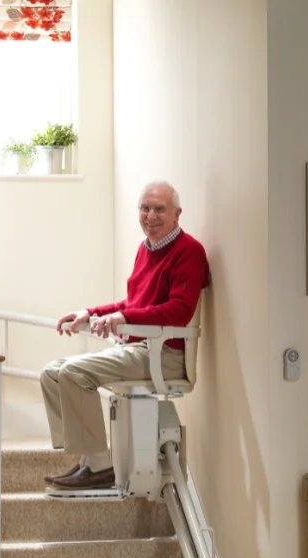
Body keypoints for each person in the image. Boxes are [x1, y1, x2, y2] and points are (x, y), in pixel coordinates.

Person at [40, 181, 210, 489]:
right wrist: (90, 313)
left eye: (159, 209)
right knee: (51, 373)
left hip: (165, 355)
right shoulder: (146, 249)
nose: (150, 216)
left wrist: (124, 316)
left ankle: (100, 467)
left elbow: (179, 311)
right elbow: (132, 304)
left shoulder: (189, 252)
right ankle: (89, 458)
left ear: (177, 214)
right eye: (145, 208)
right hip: (137, 348)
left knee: (74, 373)